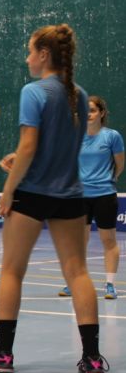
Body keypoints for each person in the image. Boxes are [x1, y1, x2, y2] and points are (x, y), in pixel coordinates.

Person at [0, 24, 108, 373]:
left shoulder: (33, 92)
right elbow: (58, 147)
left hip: (32, 194)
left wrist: (7, 190)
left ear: (44, 55)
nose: (27, 58)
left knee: (11, 271)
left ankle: (3, 354)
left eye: (29, 51)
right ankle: (93, 359)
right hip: (70, 195)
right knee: (79, 273)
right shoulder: (80, 95)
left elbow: (29, 146)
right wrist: (22, 160)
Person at [58, 96, 124, 299]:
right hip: (79, 196)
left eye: (93, 110)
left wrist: (107, 180)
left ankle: (110, 285)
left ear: (102, 113)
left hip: (105, 195)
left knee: (108, 240)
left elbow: (119, 164)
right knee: (78, 241)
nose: (88, 114)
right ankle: (74, 281)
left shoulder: (112, 137)